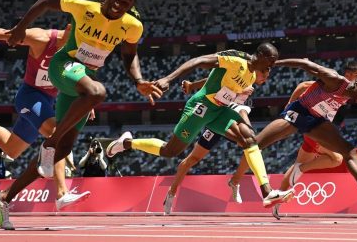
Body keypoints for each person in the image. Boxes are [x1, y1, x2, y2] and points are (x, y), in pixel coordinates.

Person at [0, 0, 163, 230]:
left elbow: (129, 54)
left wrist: (138, 80)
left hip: (83, 79)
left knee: (64, 149)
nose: (118, 5)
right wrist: (20, 28)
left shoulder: (132, 25)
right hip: (63, 66)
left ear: (132, 5)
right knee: (98, 92)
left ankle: (4, 198)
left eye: (125, 3)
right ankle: (49, 144)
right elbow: (46, 0)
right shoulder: (85, 2)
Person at [107, 44, 295, 208]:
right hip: (201, 107)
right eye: (271, 62)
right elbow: (198, 61)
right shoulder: (236, 59)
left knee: (249, 138)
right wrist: (169, 79)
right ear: (260, 56)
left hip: (219, 112)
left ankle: (267, 192)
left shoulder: (252, 76)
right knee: (169, 151)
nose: (272, 66)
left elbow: (216, 84)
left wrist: (193, 85)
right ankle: (127, 143)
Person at [230, 58, 357, 213]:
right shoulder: (334, 79)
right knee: (254, 145)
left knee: (348, 151)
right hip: (298, 112)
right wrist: (275, 63)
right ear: (354, 84)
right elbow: (305, 66)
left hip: (316, 121)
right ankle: (236, 181)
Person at [0, 27, 90, 219]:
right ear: (69, 29)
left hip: (47, 102)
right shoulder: (41, 38)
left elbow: (78, 77)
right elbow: (3, 34)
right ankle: (62, 194)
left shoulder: (77, 50)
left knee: (12, 148)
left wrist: (87, 96)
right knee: (57, 134)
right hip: (29, 97)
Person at [262, 61, 357, 219]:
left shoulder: (349, 90)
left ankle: (277, 202)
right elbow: (303, 85)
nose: (356, 78)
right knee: (336, 158)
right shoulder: (334, 82)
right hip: (315, 128)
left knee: (298, 164)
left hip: (317, 128)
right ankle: (301, 170)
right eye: (354, 75)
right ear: (347, 74)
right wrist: (289, 106)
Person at [163, 69, 269, 214]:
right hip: (216, 117)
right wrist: (192, 85)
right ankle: (172, 192)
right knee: (192, 159)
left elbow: (242, 111)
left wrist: (241, 94)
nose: (266, 79)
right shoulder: (242, 74)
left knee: (251, 145)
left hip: (234, 115)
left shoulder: (249, 89)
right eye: (265, 74)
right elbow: (212, 80)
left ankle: (235, 181)